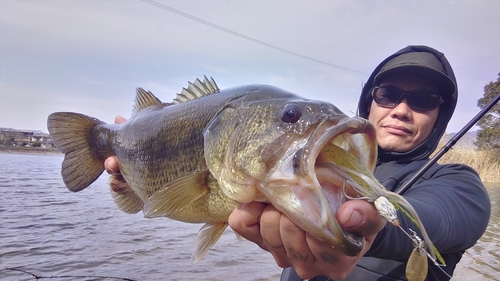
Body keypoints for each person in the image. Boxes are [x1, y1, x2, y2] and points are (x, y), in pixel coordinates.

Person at [105, 45, 491, 280]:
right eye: (389, 93)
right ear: (369, 101)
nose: (402, 109)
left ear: (441, 116)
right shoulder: (289, 171)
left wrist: (364, 230)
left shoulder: (458, 183)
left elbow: (441, 219)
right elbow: (173, 201)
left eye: (424, 100)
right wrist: (135, 182)